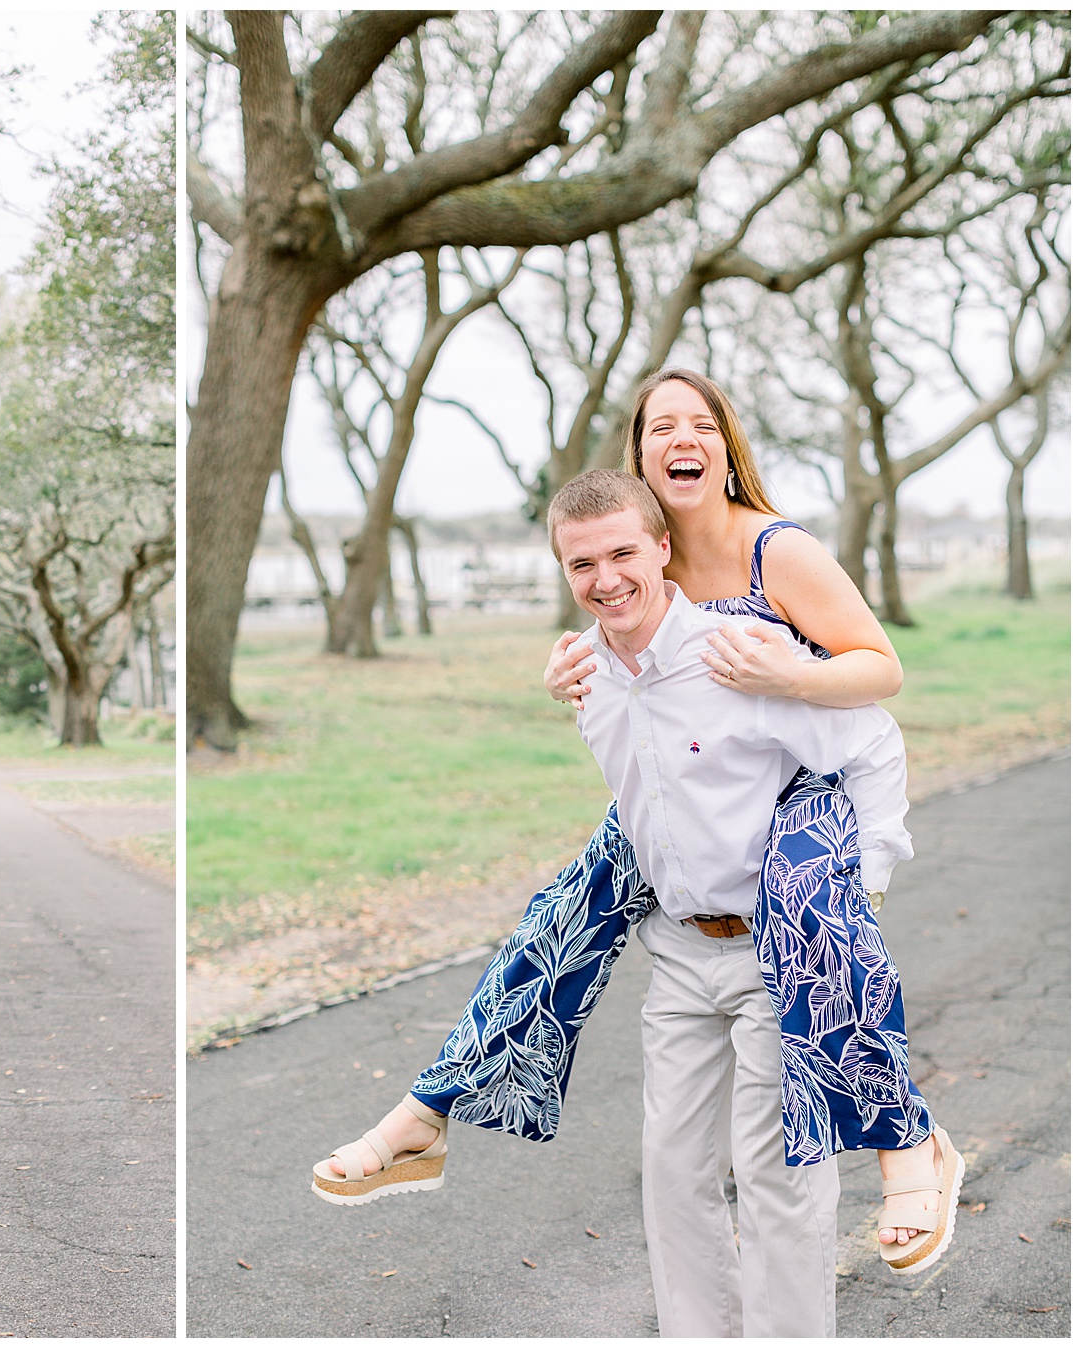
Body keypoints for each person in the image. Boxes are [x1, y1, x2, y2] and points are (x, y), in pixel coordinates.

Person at [313, 374, 963, 1289]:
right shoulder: (624, 568)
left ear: (725, 447)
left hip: (806, 770)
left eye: (702, 424)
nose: (683, 438)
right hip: (697, 794)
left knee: (812, 913)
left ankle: (909, 1142)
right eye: (663, 426)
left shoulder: (775, 553)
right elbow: (624, 671)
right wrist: (579, 673)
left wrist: (790, 679)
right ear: (642, 458)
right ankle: (430, 1107)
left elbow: (881, 676)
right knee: (562, 916)